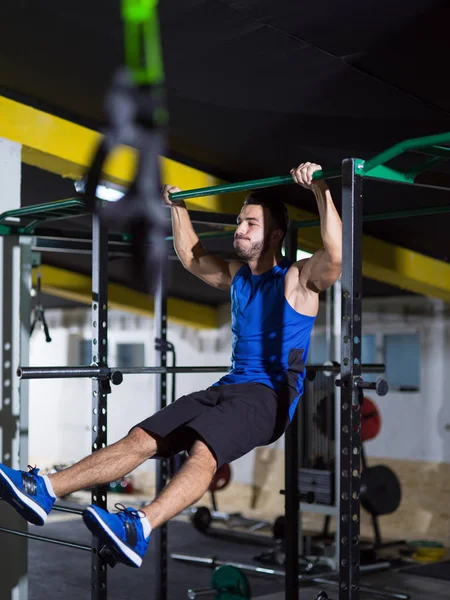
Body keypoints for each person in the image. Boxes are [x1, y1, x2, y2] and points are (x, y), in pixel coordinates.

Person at [0, 162, 342, 568]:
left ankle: (139, 526)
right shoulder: (237, 277)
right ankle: (45, 490)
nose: (239, 229)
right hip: (229, 387)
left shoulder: (296, 281)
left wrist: (319, 188)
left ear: (275, 236)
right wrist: (177, 207)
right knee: (143, 436)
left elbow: (336, 254)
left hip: (268, 398)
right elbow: (192, 257)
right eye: (238, 222)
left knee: (203, 450)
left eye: (250, 223)